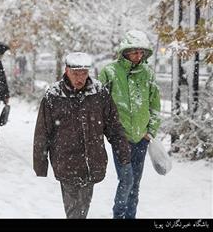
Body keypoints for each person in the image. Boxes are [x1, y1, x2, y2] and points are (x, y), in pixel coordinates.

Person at [33, 52, 131, 219]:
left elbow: (113, 126)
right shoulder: (54, 95)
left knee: (84, 206)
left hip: (92, 162)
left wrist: (123, 152)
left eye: (84, 73)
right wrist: (40, 164)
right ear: (66, 71)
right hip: (66, 162)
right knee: (73, 211)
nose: (80, 78)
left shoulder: (99, 93)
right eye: (75, 73)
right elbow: (43, 132)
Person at [98, 30, 161, 219]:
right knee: (126, 179)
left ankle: (130, 216)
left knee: (135, 183)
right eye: (134, 52)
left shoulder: (148, 73)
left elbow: (155, 105)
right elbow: (100, 105)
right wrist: (110, 132)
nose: (138, 56)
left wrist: (150, 132)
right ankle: (119, 215)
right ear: (125, 51)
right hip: (120, 139)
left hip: (141, 139)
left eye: (141, 52)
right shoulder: (110, 72)